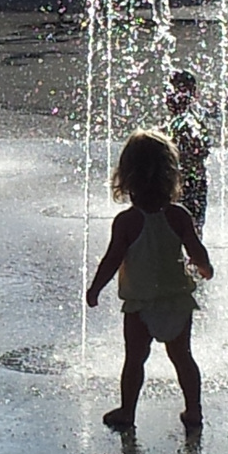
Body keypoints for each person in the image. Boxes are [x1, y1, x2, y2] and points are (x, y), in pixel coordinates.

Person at [86, 130, 215, 433]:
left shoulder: (127, 221)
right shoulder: (179, 215)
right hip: (176, 301)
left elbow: (112, 260)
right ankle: (193, 410)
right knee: (183, 358)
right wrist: (205, 268)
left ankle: (127, 411)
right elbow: (197, 251)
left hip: (140, 303)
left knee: (134, 360)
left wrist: (95, 289)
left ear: (127, 176)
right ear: (170, 175)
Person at [164, 70, 210, 233]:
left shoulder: (189, 121)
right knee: (190, 230)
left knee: (187, 229)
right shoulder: (185, 119)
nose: (169, 97)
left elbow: (201, 147)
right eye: (168, 92)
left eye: (177, 91)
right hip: (187, 181)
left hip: (187, 183)